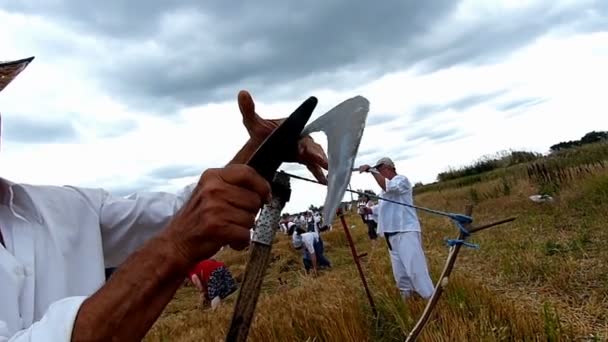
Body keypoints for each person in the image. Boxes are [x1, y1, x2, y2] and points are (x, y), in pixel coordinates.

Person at [0, 60, 330, 342]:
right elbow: (185, 228)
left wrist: (263, 153)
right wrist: (180, 244)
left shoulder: (63, 208)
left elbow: (181, 215)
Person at [359, 157, 434, 300]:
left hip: (405, 232)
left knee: (416, 272)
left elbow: (390, 188)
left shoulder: (401, 180)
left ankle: (431, 301)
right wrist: (370, 211)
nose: (380, 172)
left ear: (389, 168)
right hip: (391, 236)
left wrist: (371, 170)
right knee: (401, 277)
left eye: (380, 169)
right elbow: (384, 207)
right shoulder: (384, 189)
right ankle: (410, 303)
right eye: (378, 169)